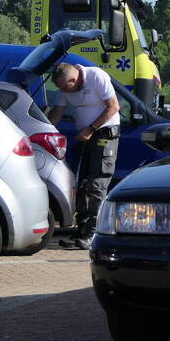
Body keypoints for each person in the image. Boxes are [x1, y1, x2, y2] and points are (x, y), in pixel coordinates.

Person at [46, 62, 120, 250]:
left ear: (74, 79)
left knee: (97, 185)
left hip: (104, 135)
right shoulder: (66, 87)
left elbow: (113, 107)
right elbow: (58, 113)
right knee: (82, 184)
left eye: (65, 88)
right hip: (85, 137)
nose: (64, 92)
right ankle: (81, 231)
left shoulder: (96, 76)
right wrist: (44, 130)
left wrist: (91, 129)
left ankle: (93, 233)